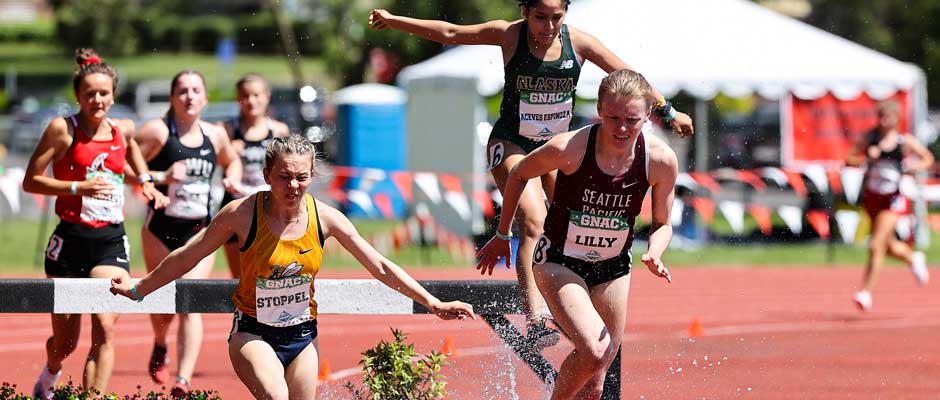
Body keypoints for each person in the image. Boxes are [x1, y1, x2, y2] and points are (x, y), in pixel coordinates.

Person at [369, 0, 692, 346]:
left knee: (570, 223)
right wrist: (395, 21)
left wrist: (669, 112)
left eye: (557, 17)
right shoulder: (510, 36)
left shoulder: (579, 42)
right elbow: (451, 33)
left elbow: (630, 76)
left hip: (557, 150)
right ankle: (535, 320)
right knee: (534, 220)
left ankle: (570, 303)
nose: (549, 27)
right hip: (512, 144)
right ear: (524, 11)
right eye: (540, 18)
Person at [111, 135, 475, 399]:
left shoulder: (326, 218)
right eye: (285, 177)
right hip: (252, 334)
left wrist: (434, 303)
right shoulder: (241, 215)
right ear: (268, 174)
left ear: (313, 175)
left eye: (302, 177)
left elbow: (379, 264)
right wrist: (139, 288)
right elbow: (188, 255)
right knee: (276, 396)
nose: (294, 186)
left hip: (302, 338)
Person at [477, 69, 677, 399]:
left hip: (613, 269)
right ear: (599, 111)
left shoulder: (660, 160)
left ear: (647, 116)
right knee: (595, 352)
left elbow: (663, 224)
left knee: (596, 381)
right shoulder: (569, 148)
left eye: (632, 119)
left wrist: (655, 252)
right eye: (613, 117)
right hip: (559, 262)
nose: (622, 128)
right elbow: (519, 173)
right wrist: (502, 233)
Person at [22, 48, 168, 399]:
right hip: (69, 241)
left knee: (105, 326)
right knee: (65, 342)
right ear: (78, 97)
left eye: (103, 93)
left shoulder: (123, 128)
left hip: (109, 242)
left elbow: (130, 148)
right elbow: (30, 181)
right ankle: (51, 371)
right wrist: (78, 186)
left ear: (113, 95)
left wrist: (145, 180)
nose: (97, 99)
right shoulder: (62, 130)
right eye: (89, 94)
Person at [133, 70, 244, 394]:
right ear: (172, 97)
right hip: (159, 230)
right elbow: (126, 166)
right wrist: (158, 176)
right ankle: (159, 342)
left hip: (200, 232)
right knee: (162, 299)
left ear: (206, 98)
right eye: (182, 91)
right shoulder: (157, 131)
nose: (189, 96)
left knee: (190, 301)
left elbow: (232, 161)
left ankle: (182, 379)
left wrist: (230, 179)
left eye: (196, 90)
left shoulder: (215, 135)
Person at [846, 100, 934, 312]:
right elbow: (849, 159)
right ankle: (913, 258)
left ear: (897, 118)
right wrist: (866, 157)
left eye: (888, 116)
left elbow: (928, 159)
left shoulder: (904, 141)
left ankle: (865, 292)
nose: (884, 120)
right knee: (888, 245)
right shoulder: (870, 138)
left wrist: (915, 166)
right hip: (873, 196)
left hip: (893, 199)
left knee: (876, 245)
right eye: (881, 116)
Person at [220, 73, 290, 278]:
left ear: (267, 97)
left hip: (269, 206)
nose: (251, 101)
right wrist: (228, 151)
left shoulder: (278, 129)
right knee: (240, 278)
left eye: (256, 95)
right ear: (238, 98)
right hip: (236, 205)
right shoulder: (226, 129)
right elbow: (208, 160)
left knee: (270, 273)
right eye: (245, 96)